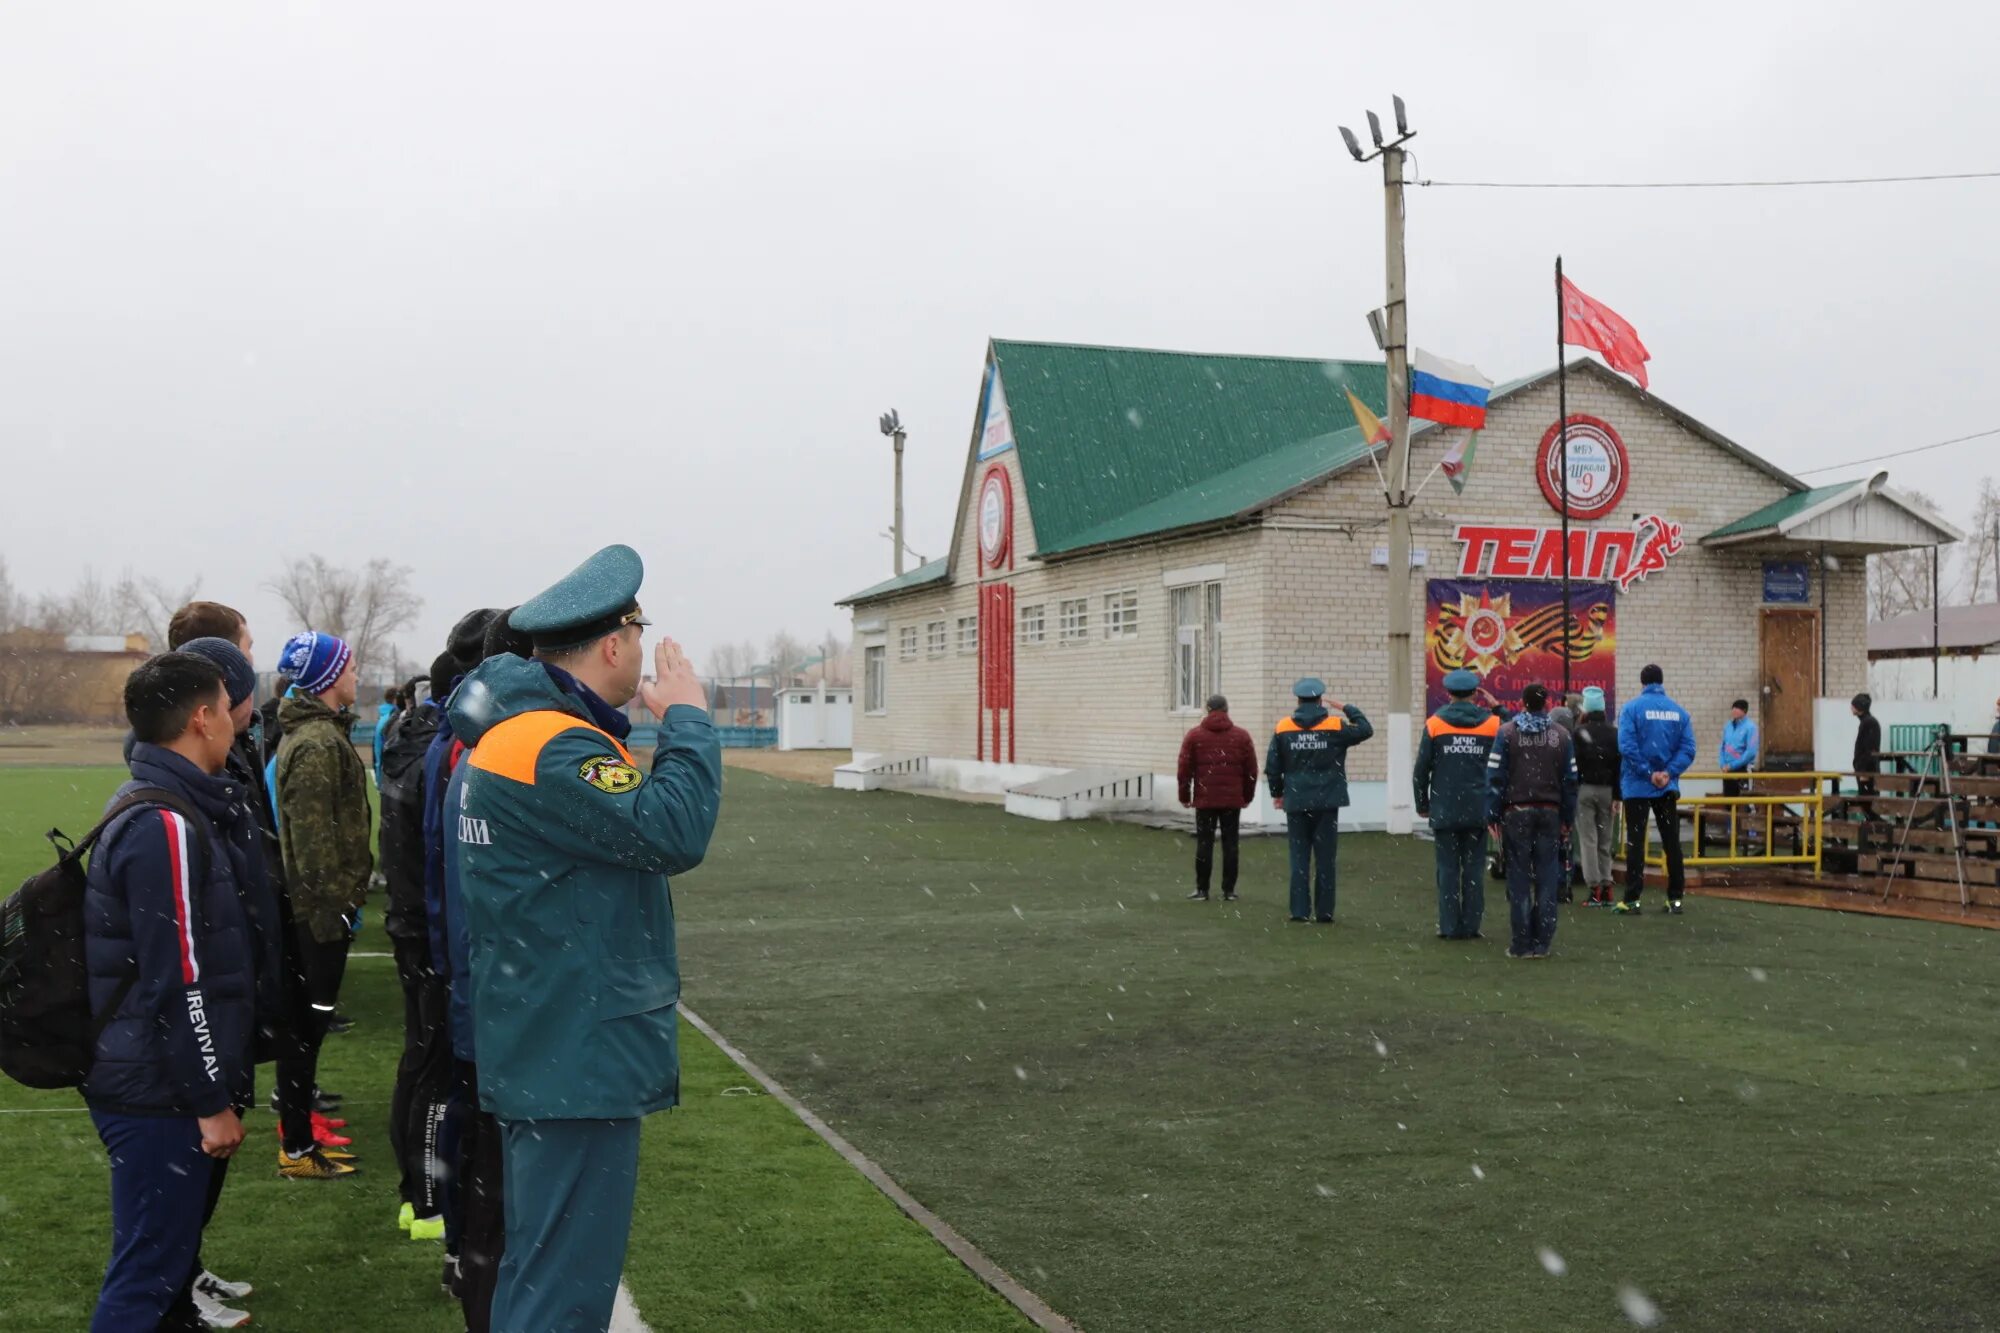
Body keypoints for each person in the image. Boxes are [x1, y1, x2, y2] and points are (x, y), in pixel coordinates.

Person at [448, 547, 722, 1332]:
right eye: (638, 633)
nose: (643, 650)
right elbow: (672, 830)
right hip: (573, 1047)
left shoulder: (517, 732)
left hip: (546, 1035)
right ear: (612, 644)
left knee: (540, 1267)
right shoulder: (550, 743)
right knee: (562, 1286)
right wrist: (689, 719)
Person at [81, 653, 255, 1331]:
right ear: (203, 717)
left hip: (150, 1078)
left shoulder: (160, 803)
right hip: (155, 1090)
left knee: (162, 1274)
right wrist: (210, 1100)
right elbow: (178, 982)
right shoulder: (166, 824)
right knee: (146, 1277)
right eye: (227, 707)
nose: (237, 725)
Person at [273, 631, 371, 1178]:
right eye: (351, 667)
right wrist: (330, 913)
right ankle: (296, 1147)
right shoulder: (316, 743)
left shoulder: (323, 735)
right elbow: (312, 845)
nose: (356, 676)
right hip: (318, 916)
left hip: (323, 911)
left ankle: (299, 1138)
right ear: (330, 677)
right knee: (304, 1031)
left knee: (305, 1030)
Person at [383, 655, 456, 1244]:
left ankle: (416, 1192)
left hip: (412, 922)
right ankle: (428, 1201)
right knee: (436, 1069)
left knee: (420, 1059)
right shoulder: (438, 749)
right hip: (428, 928)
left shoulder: (410, 736)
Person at [1264, 678, 1373, 923]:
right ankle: (1324, 912)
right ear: (1320, 700)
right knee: (1325, 859)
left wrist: (1277, 793)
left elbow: (1273, 766)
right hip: (1327, 800)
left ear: (1298, 700)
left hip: (1297, 799)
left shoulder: (1283, 727)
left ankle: (1299, 911)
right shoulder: (1335, 725)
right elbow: (1366, 729)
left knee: (1299, 858)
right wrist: (1347, 707)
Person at [1487, 683, 1579, 958]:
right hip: (1550, 812)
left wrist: (1492, 814)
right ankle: (1542, 943)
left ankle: (1521, 943)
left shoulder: (1507, 733)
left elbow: (1495, 777)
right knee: (1547, 877)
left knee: (1518, 879)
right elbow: (1571, 781)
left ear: (1523, 703)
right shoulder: (1561, 736)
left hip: (1516, 812)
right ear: (1547, 704)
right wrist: (1567, 817)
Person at [1414, 668, 1499, 940]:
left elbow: (1421, 769)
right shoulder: (1492, 724)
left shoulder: (1435, 724)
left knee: (1448, 870)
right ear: (1476, 694)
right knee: (1474, 869)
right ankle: (1471, 926)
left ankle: (1449, 926)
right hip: (1478, 807)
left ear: (1448, 693)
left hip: (1445, 807)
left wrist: (1422, 803)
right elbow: (1500, 768)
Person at [1615, 664, 1697, 916]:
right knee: (1671, 842)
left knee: (1636, 843)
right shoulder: (1679, 713)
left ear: (1642, 682)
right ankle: (1675, 899)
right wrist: (1668, 773)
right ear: (1662, 681)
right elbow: (1688, 749)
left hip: (1638, 786)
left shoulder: (1631, 709)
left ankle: (1632, 900)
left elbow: (1626, 746)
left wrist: (1647, 773)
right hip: (1666, 786)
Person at [1176, 694, 1258, 902]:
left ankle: (1202, 890)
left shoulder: (1194, 736)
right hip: (1232, 799)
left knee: (1205, 843)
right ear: (1227, 710)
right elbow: (1251, 770)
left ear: (1207, 709)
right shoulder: (1242, 736)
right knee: (1231, 844)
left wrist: (1184, 795)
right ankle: (1229, 890)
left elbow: (1184, 770)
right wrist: (1246, 796)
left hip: (1205, 799)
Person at [1573, 686, 1621, 907]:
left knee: (1588, 840)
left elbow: (1573, 765)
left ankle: (1594, 890)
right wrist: (1618, 796)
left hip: (1585, 789)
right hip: (1608, 791)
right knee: (1605, 839)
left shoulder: (1579, 732)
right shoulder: (1614, 732)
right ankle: (1607, 886)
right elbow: (1620, 766)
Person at [1718, 699, 1759, 797]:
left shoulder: (1751, 728)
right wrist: (1723, 764)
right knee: (1729, 800)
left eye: (1738, 708)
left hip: (1743, 769)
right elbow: (1723, 746)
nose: (1734, 710)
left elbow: (1751, 752)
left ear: (1744, 711)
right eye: (1733, 708)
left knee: (1746, 800)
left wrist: (1733, 765)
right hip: (1727, 770)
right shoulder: (1728, 726)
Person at [1852, 693, 1882, 794]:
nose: (1851, 707)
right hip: (1863, 768)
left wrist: (1863, 771)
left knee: (1868, 799)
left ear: (1860, 707)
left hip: (1867, 770)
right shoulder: (1866, 722)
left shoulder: (1869, 722)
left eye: (1854, 705)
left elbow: (1869, 749)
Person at [373, 688, 398, 787]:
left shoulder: (383, 718)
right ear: (395, 699)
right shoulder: (391, 719)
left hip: (384, 779)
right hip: (390, 781)